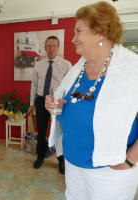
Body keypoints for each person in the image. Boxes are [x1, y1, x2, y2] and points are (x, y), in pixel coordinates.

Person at [46, 1, 138, 199]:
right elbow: (71, 105)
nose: (73, 39)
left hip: (110, 171)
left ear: (100, 32)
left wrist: (130, 160)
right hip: (73, 163)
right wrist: (56, 106)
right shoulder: (78, 68)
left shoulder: (132, 69)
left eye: (78, 31)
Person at [27, 35, 72, 174]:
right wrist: (32, 103)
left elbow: (69, 87)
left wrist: (67, 104)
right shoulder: (38, 65)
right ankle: (40, 157)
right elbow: (34, 84)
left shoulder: (66, 64)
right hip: (41, 101)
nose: (51, 48)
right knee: (41, 131)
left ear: (58, 47)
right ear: (45, 48)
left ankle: (61, 161)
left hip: (58, 101)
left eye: (54, 45)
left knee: (58, 132)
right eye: (49, 46)